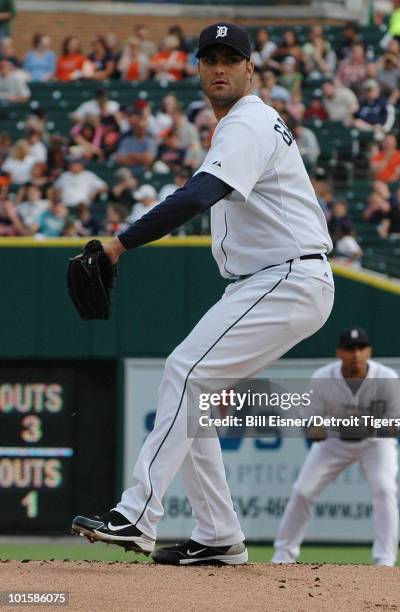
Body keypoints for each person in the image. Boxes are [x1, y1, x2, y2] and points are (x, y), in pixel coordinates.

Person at [72, 22, 334, 566]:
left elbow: (200, 193)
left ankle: (138, 513)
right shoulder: (246, 124)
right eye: (210, 58)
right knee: (197, 394)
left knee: (185, 372)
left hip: (286, 276)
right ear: (197, 68)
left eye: (230, 59)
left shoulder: (248, 121)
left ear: (249, 69)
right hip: (272, 280)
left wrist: (120, 244)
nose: (220, 68)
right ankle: (219, 535)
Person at [272, 327, 400, 567]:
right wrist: (322, 429)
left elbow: (399, 426)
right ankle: (283, 556)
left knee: (385, 490)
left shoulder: (386, 377)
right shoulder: (323, 377)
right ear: (339, 352)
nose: (355, 354)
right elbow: (311, 426)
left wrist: (367, 427)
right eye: (349, 348)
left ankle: (385, 561)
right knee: (303, 491)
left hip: (375, 445)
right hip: (334, 443)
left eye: (360, 348)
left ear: (369, 351)